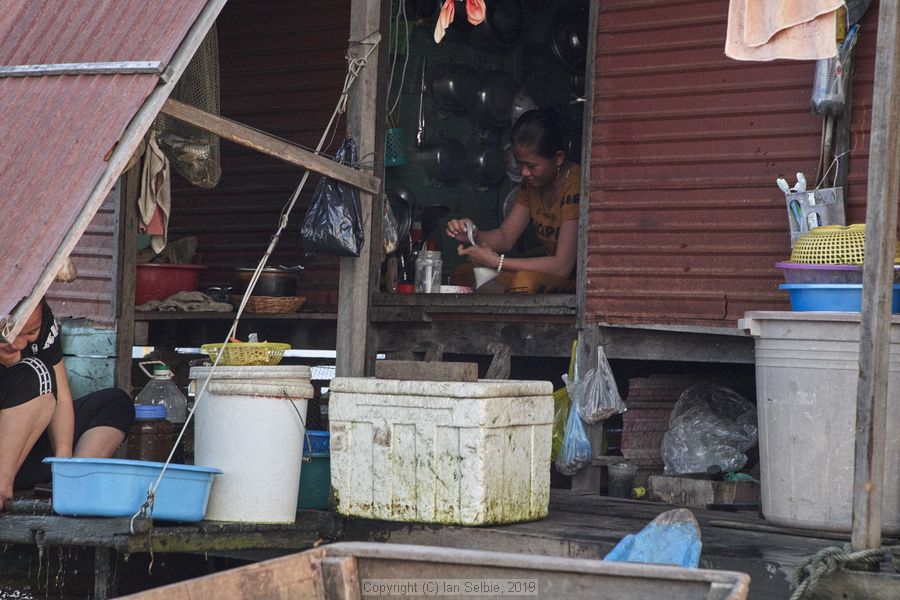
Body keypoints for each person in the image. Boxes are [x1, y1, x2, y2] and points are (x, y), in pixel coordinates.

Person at [0, 299, 134, 508]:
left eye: (30, 332)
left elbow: (62, 397)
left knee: (115, 403)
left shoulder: (43, 320)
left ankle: (70, 488)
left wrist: (64, 462)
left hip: (27, 455)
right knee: (36, 373)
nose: (20, 343)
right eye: (10, 332)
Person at [446, 108, 580, 293]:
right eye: (519, 163)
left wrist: (497, 262)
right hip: (549, 273)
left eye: (532, 166)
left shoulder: (575, 183)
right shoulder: (532, 183)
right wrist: (474, 235)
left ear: (558, 158)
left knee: (524, 281)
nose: (524, 172)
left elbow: (562, 267)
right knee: (464, 274)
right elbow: (506, 237)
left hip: (579, 283)